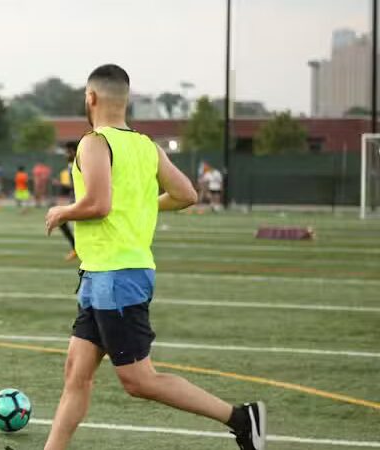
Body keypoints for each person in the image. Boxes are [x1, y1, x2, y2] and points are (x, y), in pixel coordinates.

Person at [43, 64, 266, 450]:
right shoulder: (147, 146)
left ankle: (241, 418)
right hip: (101, 275)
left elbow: (97, 203)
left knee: (139, 381)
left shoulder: (94, 142)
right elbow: (187, 194)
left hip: (117, 277)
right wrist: (139, 207)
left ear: (91, 98)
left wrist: (61, 211)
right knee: (76, 375)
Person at [57, 141, 78, 261]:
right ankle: (76, 248)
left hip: (83, 201)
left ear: (74, 152)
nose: (66, 154)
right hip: (76, 200)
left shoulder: (79, 163)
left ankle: (77, 248)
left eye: (68, 152)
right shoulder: (71, 165)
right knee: (61, 220)